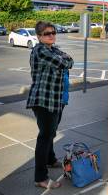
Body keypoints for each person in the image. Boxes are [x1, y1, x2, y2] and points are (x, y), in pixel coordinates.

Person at [26, 21, 74, 189]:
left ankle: (50, 159)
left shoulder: (52, 49)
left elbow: (70, 59)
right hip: (43, 100)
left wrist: (65, 57)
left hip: (56, 99)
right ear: (39, 36)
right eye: (47, 33)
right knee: (45, 137)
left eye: (53, 32)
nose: (52, 35)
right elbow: (65, 63)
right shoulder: (40, 50)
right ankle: (40, 178)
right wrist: (65, 58)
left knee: (51, 133)